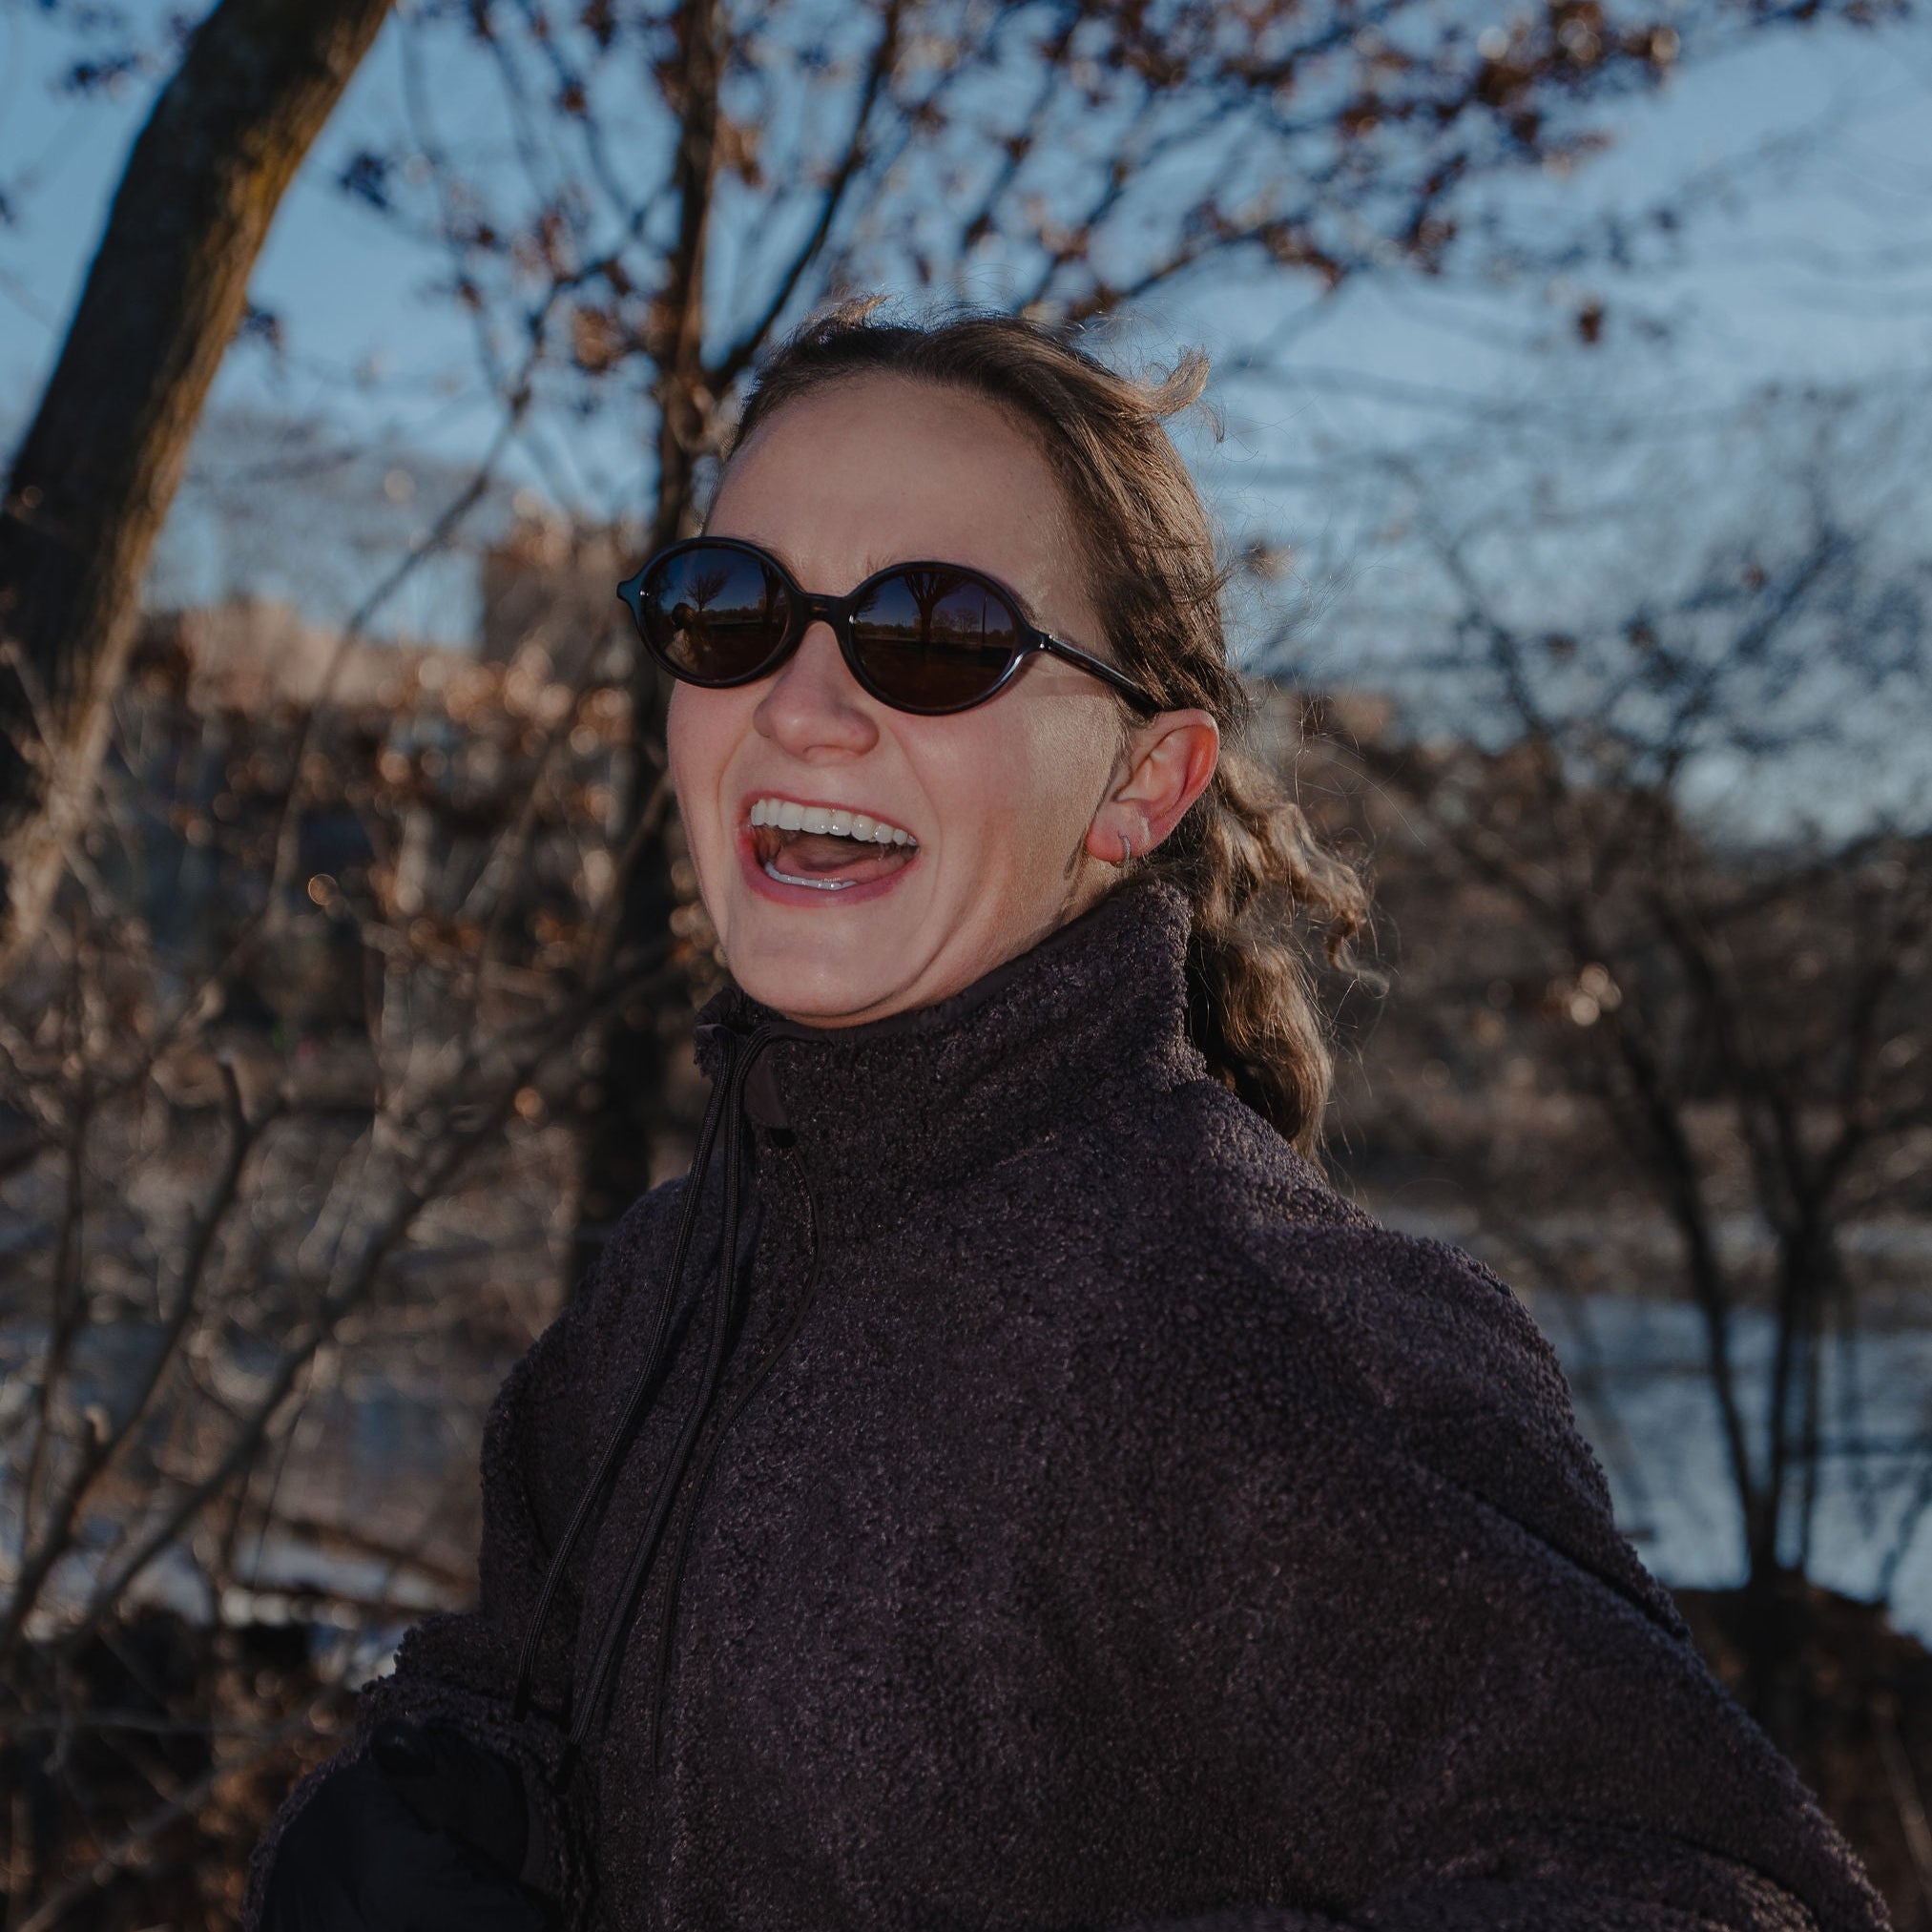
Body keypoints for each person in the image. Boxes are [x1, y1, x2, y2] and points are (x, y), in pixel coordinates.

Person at [246, 304, 1892, 1932]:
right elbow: (511, 1693)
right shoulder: (667, 1284)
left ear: (1139, 784)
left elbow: (1712, 1895)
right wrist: (404, 1810)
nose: (801, 707)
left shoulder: (1240, 1320)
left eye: (935, 633)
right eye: (731, 609)